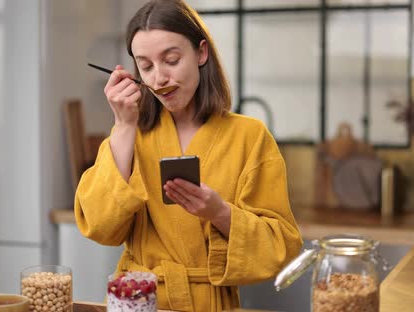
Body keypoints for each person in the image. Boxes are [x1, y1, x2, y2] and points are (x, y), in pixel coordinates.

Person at [74, 0, 302, 311]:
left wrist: (219, 212)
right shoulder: (129, 134)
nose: (159, 79)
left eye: (171, 59)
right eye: (146, 66)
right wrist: (124, 126)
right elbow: (99, 226)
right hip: (138, 302)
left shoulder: (250, 137)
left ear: (201, 53)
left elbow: (282, 247)